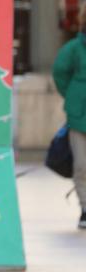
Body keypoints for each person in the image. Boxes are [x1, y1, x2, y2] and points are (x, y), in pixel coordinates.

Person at [51, 20, 86, 229]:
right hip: (79, 116)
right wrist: (72, 96)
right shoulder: (74, 48)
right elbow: (59, 72)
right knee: (82, 165)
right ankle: (85, 208)